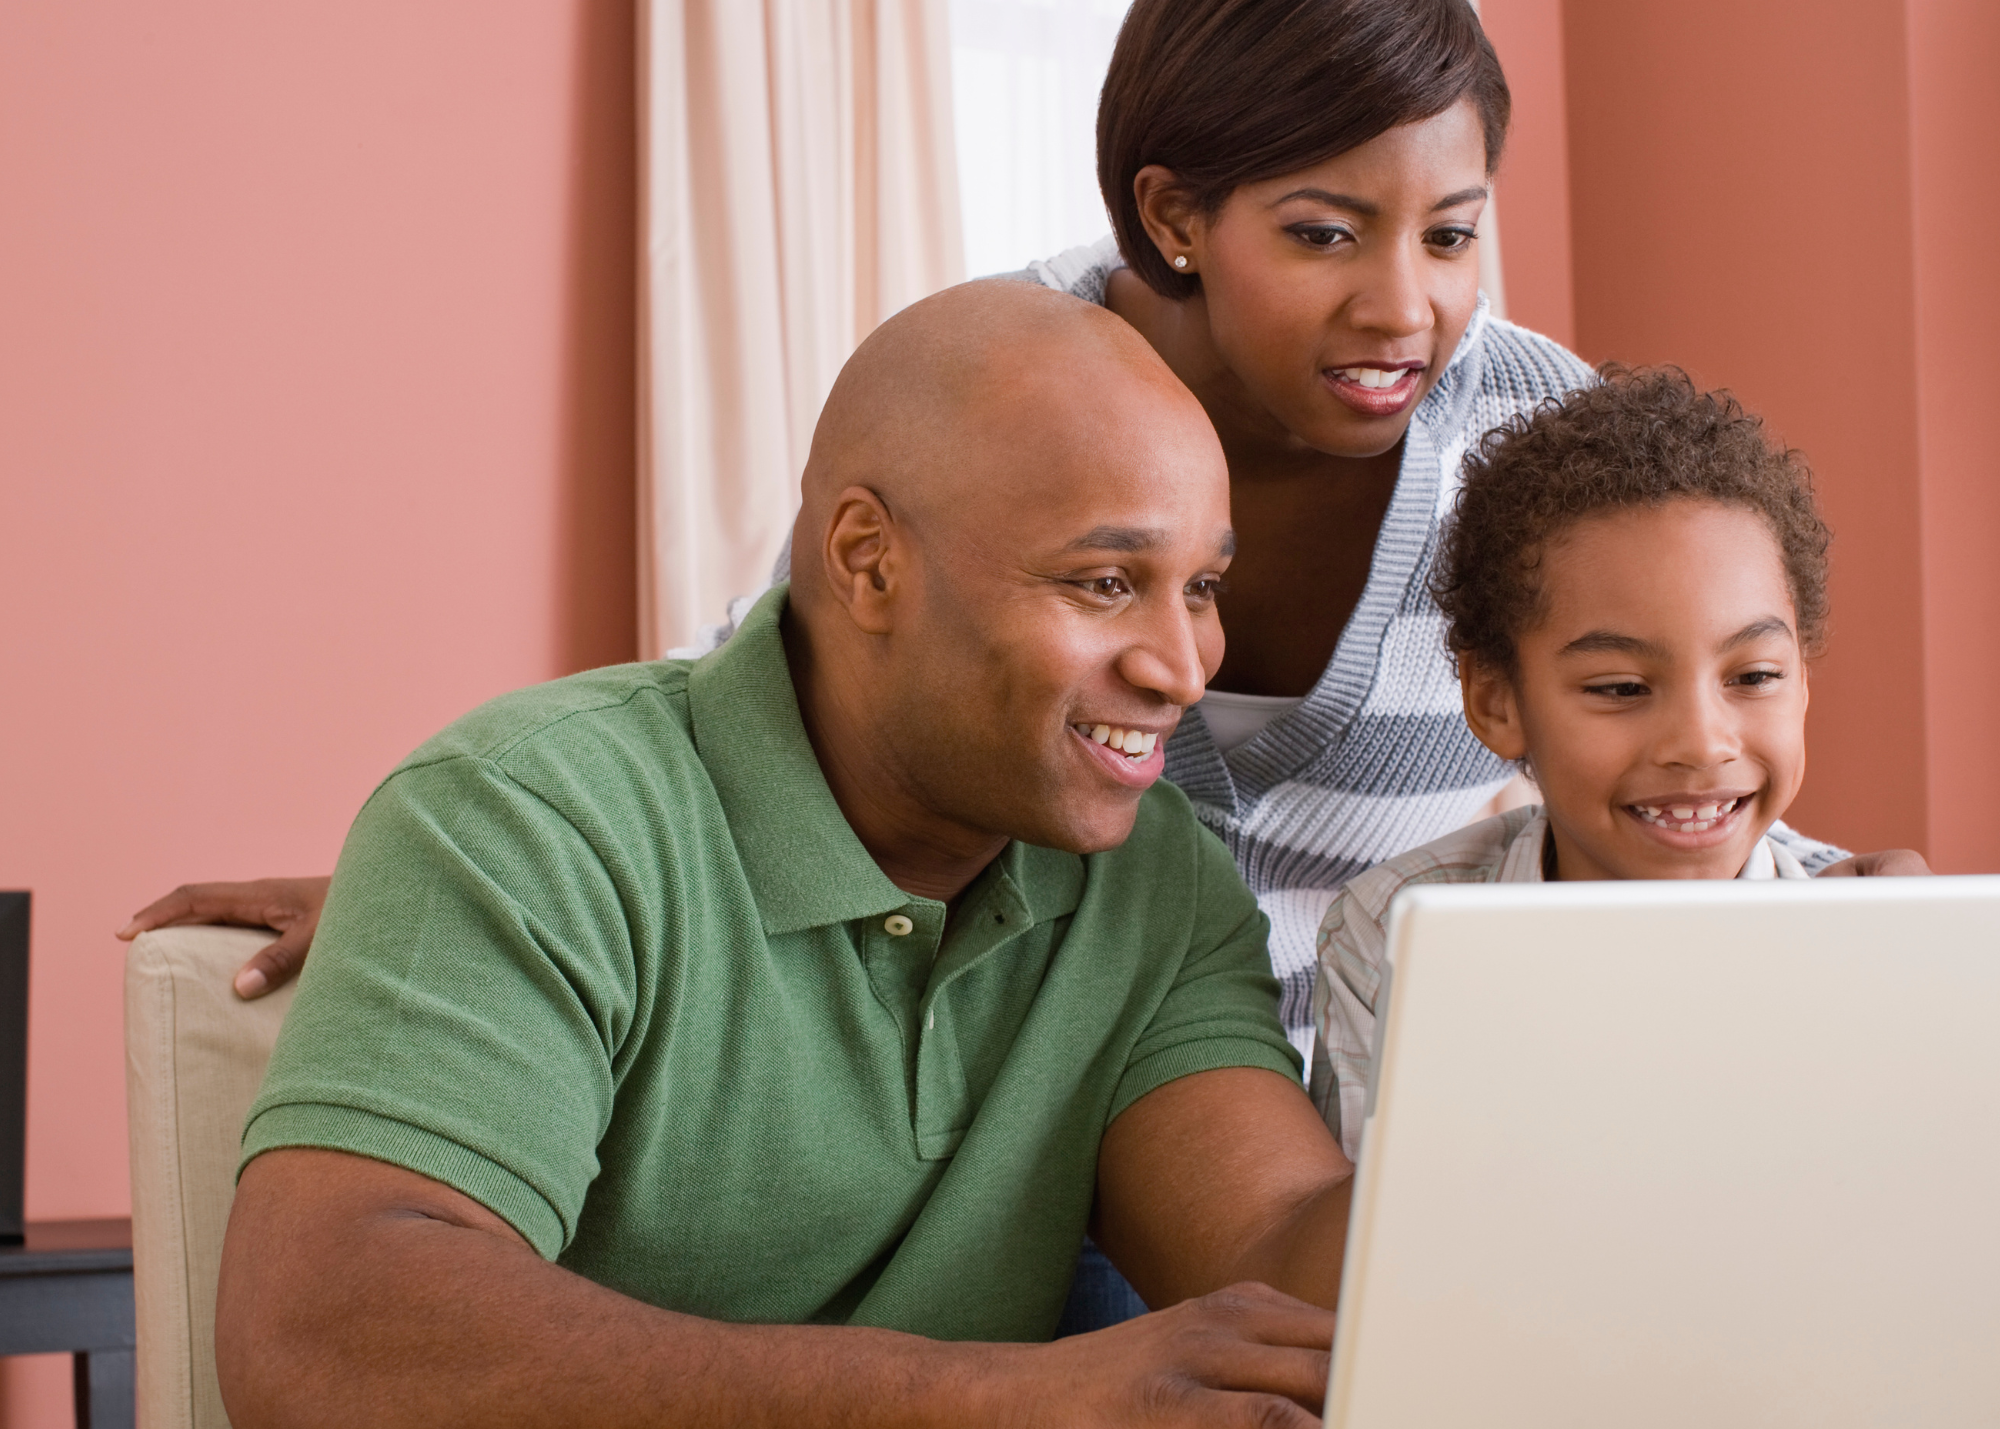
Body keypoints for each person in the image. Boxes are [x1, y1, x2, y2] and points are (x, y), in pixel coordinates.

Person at [125, 0, 1926, 1333]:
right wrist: (464, 874)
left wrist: (1764, 1029)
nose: (1404, 303)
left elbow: (1297, 1258)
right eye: (1106, 581)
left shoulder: (1512, 464)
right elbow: (770, 710)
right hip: (1125, 1090)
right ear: (1174, 219)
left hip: (1268, 1065)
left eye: (1450, 233)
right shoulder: (1000, 407)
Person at [215, 282, 1355, 1429]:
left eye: (1200, 588)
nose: (1182, 667)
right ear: (869, 560)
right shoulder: (526, 815)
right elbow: (321, 1338)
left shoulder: (1152, 879)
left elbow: (1276, 1252)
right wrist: (999, 1402)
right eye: (1103, 583)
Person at [1311, 368, 1877, 1159]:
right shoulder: (1392, 936)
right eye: (1620, 688)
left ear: (1803, 682)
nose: (1701, 742)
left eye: (1753, 676)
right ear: (1497, 700)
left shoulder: (1878, 931)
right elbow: (1364, 1227)